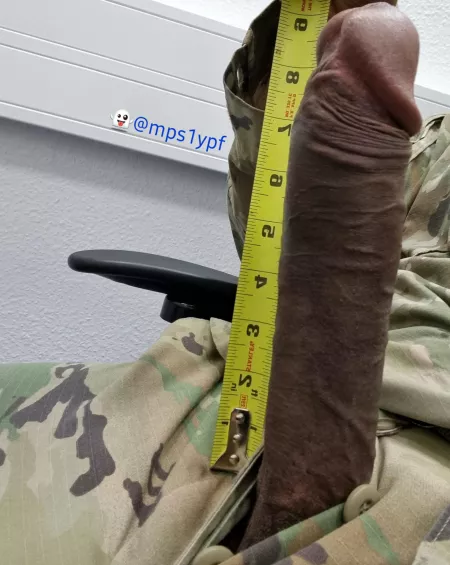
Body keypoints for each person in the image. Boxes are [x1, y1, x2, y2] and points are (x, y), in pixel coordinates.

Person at [1, 2, 450, 565]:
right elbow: (265, 241)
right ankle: (322, 407)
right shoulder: (431, 146)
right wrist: (288, 56)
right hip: (255, 371)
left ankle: (317, 446)